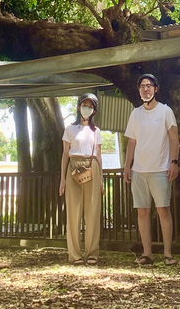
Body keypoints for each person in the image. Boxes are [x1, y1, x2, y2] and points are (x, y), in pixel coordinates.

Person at [123, 73, 179, 266]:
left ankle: (168, 254)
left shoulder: (165, 111)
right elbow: (132, 142)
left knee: (163, 210)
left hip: (160, 169)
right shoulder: (135, 114)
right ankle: (147, 254)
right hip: (139, 171)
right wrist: (127, 166)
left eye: (149, 85)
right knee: (142, 212)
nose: (145, 89)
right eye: (142, 86)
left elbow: (174, 137)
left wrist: (174, 162)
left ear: (156, 89)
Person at [60, 93, 103, 265]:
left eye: (90, 106)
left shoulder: (96, 131)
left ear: (94, 110)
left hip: (92, 166)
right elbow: (65, 154)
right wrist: (62, 179)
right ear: (78, 107)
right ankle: (75, 254)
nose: (87, 108)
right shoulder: (70, 129)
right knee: (73, 211)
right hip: (73, 166)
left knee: (92, 211)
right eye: (84, 105)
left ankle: (92, 252)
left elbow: (99, 155)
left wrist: (101, 180)